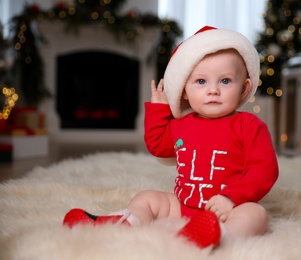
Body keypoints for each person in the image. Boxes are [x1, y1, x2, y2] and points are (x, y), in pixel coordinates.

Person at [63, 26, 279, 249]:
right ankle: (127, 221)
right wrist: (159, 110)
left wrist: (232, 197)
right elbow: (158, 146)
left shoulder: (249, 125)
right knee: (148, 198)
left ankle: (222, 234)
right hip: (182, 205)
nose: (213, 90)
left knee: (256, 213)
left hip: (228, 208)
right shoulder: (181, 126)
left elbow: (264, 169)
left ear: (244, 88)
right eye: (201, 82)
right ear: (184, 90)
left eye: (225, 81)